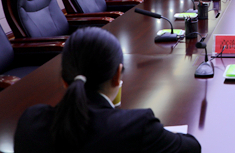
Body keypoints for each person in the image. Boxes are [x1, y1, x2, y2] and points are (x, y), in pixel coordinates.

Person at [14, 27, 201, 153]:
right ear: (117, 75)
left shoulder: (30, 122)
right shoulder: (137, 126)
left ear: (64, 80)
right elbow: (192, 147)